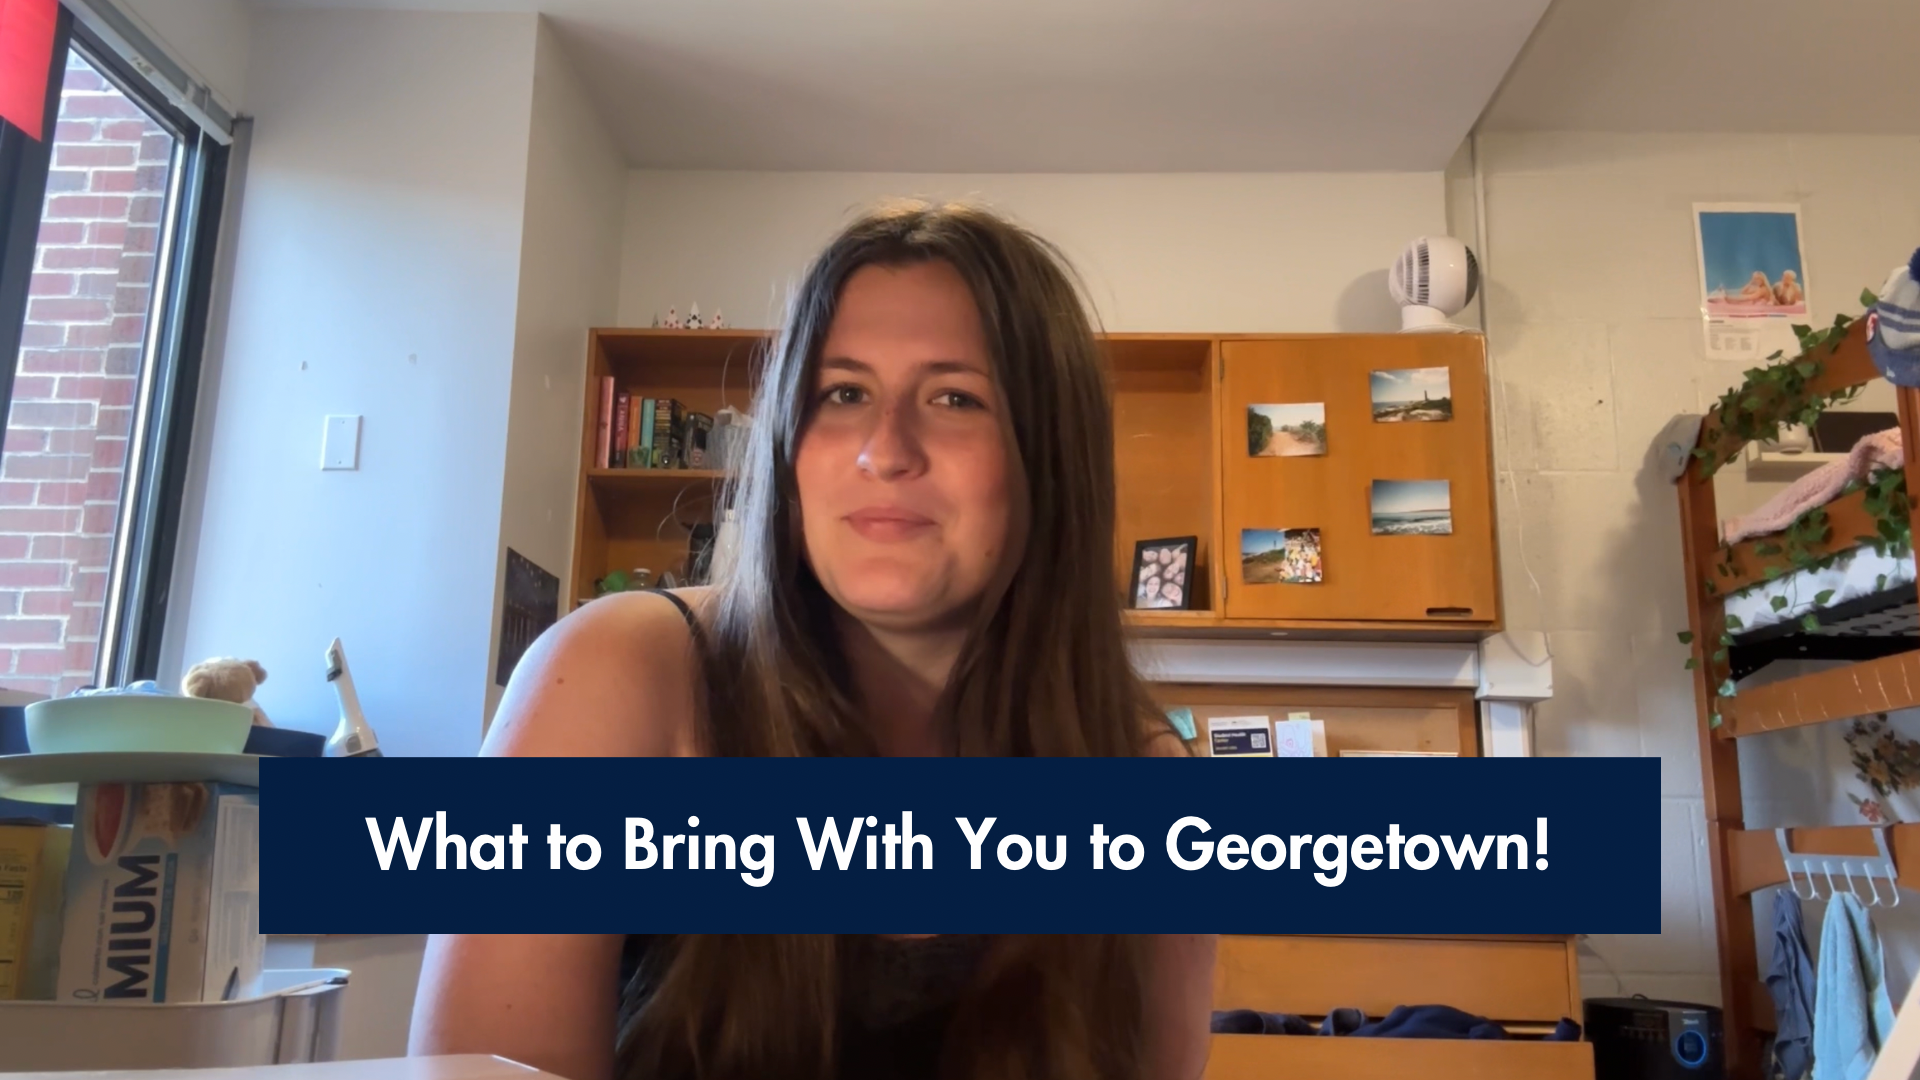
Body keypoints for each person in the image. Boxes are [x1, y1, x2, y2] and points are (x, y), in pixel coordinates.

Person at [406, 200, 1217, 1080]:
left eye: (955, 397)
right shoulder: (618, 675)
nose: (884, 449)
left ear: (1048, 460)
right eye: (844, 393)